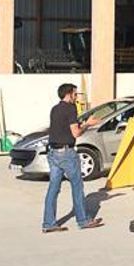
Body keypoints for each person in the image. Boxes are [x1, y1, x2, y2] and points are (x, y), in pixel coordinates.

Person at [42, 83, 104, 233]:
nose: (76, 98)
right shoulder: (70, 108)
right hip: (67, 153)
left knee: (53, 188)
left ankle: (48, 222)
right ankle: (83, 220)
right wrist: (88, 124)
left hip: (53, 153)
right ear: (69, 94)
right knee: (77, 186)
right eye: (75, 94)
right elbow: (75, 133)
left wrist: (79, 124)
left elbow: (63, 128)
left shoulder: (55, 109)